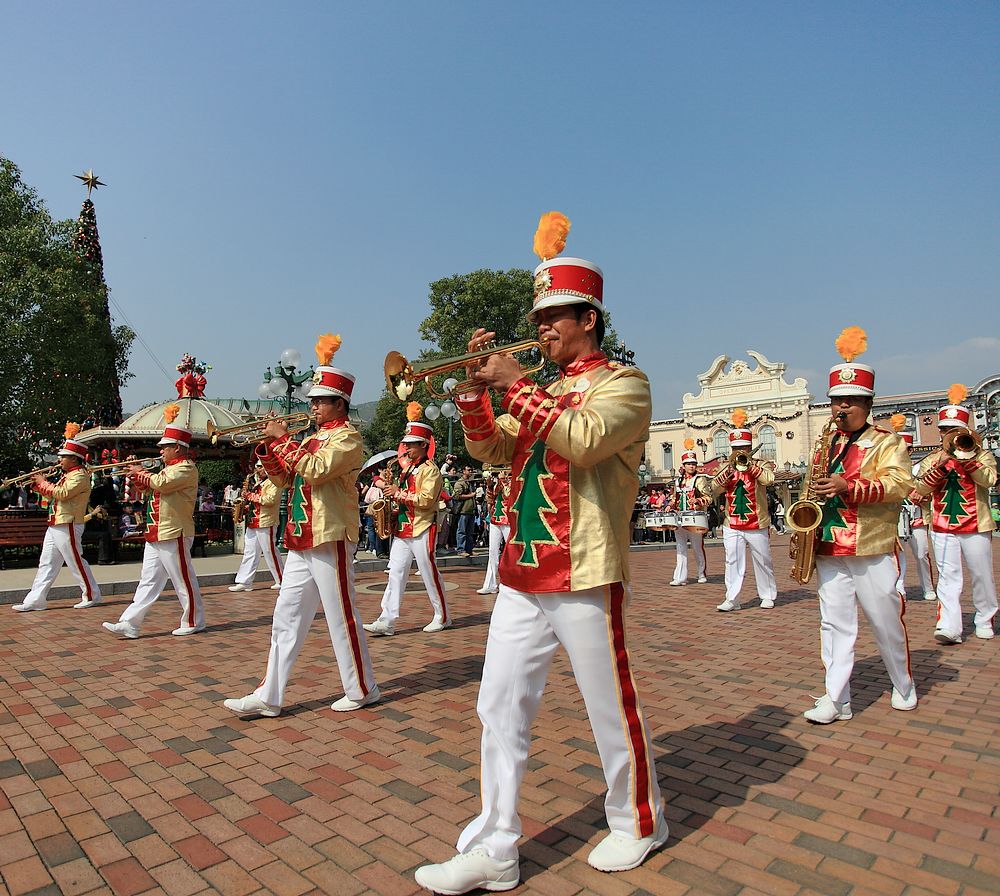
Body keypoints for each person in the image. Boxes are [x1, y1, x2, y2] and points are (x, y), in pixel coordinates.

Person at [415, 215, 665, 894]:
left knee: (607, 707)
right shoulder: (543, 389)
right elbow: (489, 446)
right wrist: (471, 391)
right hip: (523, 572)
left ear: (589, 317)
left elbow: (583, 441)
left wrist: (517, 383)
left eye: (554, 315)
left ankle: (639, 820)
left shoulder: (625, 384)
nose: (543, 327)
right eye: (539, 316)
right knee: (498, 706)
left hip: (583, 570)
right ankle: (497, 845)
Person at [223, 334, 379, 717]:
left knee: (341, 613)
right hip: (299, 536)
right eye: (311, 400)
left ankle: (362, 688)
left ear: (339, 403)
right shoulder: (310, 439)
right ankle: (270, 695)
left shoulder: (349, 439)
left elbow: (316, 470)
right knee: (285, 615)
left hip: (330, 535)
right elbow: (283, 481)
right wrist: (270, 448)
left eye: (319, 400)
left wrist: (284, 442)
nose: (312, 406)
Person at [802, 326, 916, 724]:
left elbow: (901, 483)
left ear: (868, 404)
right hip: (830, 543)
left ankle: (903, 683)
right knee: (833, 624)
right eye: (836, 401)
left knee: (884, 619)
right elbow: (812, 484)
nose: (841, 408)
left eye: (851, 401)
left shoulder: (888, 441)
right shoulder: (826, 441)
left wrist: (848, 485)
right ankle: (837, 698)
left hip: (870, 544)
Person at [102, 410, 205, 638]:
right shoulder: (169, 468)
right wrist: (137, 478)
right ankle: (130, 623)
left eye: (164, 447)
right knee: (148, 581)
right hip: (157, 531)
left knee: (182, 579)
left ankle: (194, 620)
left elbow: (162, 483)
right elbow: (152, 488)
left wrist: (142, 474)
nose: (160, 451)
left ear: (177, 447)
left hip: (174, 531)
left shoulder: (186, 467)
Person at [913, 384, 997, 643]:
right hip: (942, 525)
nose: (948, 435)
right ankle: (949, 625)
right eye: (944, 430)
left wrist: (968, 460)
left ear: (965, 431)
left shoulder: (983, 454)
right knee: (948, 577)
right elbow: (920, 488)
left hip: (976, 524)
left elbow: (990, 479)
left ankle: (985, 618)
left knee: (981, 574)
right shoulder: (932, 459)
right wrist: (939, 467)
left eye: (953, 430)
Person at [363, 415, 451, 636]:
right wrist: (390, 491)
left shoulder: (430, 470)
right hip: (403, 528)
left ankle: (442, 616)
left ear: (423, 445)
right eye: (406, 444)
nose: (406, 449)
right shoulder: (408, 469)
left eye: (411, 445)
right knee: (395, 573)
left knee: (429, 572)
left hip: (422, 527)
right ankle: (387, 620)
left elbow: (426, 500)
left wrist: (398, 492)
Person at [13, 426, 102, 612]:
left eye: (63, 457)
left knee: (75, 560)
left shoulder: (79, 476)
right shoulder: (68, 475)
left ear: (73, 458)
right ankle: (36, 599)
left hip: (68, 523)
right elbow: (53, 495)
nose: (59, 460)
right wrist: (37, 485)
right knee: (46, 562)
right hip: (56, 523)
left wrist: (42, 482)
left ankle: (92, 594)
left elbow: (62, 494)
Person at [710, 411, 779, 611]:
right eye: (736, 448)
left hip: (757, 521)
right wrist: (728, 474)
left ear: (750, 448)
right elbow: (714, 488)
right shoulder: (726, 467)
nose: (739, 451)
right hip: (732, 522)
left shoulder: (760, 464)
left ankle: (767, 595)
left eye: (743, 448)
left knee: (762, 559)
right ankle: (732, 598)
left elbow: (770, 480)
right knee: (732, 560)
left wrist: (750, 468)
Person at [892, 429, 937, 602]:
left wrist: (922, 494)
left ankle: (928, 587)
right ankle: (900, 585)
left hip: (917, 516)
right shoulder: (891, 469)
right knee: (898, 554)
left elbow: (931, 489)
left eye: (906, 449)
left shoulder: (920, 467)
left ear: (910, 450)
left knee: (921, 554)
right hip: (897, 517)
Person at [229, 461, 284, 592]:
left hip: (266, 521)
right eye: (258, 467)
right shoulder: (258, 482)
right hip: (253, 521)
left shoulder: (275, 481)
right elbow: (257, 502)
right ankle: (244, 581)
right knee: (250, 552)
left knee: (270, 551)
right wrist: (246, 507)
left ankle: (282, 580)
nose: (259, 470)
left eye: (262, 467)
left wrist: (250, 496)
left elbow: (270, 500)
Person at [668, 447, 711, 585]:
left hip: (695, 518)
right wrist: (670, 505)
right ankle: (680, 577)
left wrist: (698, 500)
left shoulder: (700, 480)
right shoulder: (677, 481)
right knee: (680, 548)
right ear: (684, 466)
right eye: (689, 464)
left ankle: (701, 573)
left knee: (697, 547)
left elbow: (709, 498)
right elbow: (674, 499)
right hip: (680, 517)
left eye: (693, 464)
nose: (692, 466)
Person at [477, 469, 511, 594]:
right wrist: (490, 485)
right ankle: (490, 584)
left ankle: (513, 582)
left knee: (511, 551)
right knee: (492, 551)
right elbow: (490, 498)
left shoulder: (515, 479)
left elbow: (509, 495)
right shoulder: (499, 481)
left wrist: (503, 480)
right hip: (495, 518)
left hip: (508, 519)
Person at [452, 466, 478, 557]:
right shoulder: (460, 483)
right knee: (462, 531)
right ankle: (461, 550)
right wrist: (471, 495)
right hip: (463, 510)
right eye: (469, 470)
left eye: (471, 470)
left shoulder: (470, 482)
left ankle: (469, 549)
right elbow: (457, 496)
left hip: (471, 510)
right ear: (463, 471)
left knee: (470, 532)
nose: (471, 471)